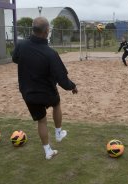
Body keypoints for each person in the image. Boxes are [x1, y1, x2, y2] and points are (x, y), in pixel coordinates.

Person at [12, 17, 78, 160]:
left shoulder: (21, 45)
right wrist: (72, 86)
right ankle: (58, 133)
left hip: (27, 92)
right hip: (46, 91)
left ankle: (48, 150)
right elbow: (62, 80)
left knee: (41, 120)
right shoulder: (51, 54)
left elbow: (15, 59)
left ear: (33, 29)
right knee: (56, 104)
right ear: (47, 31)